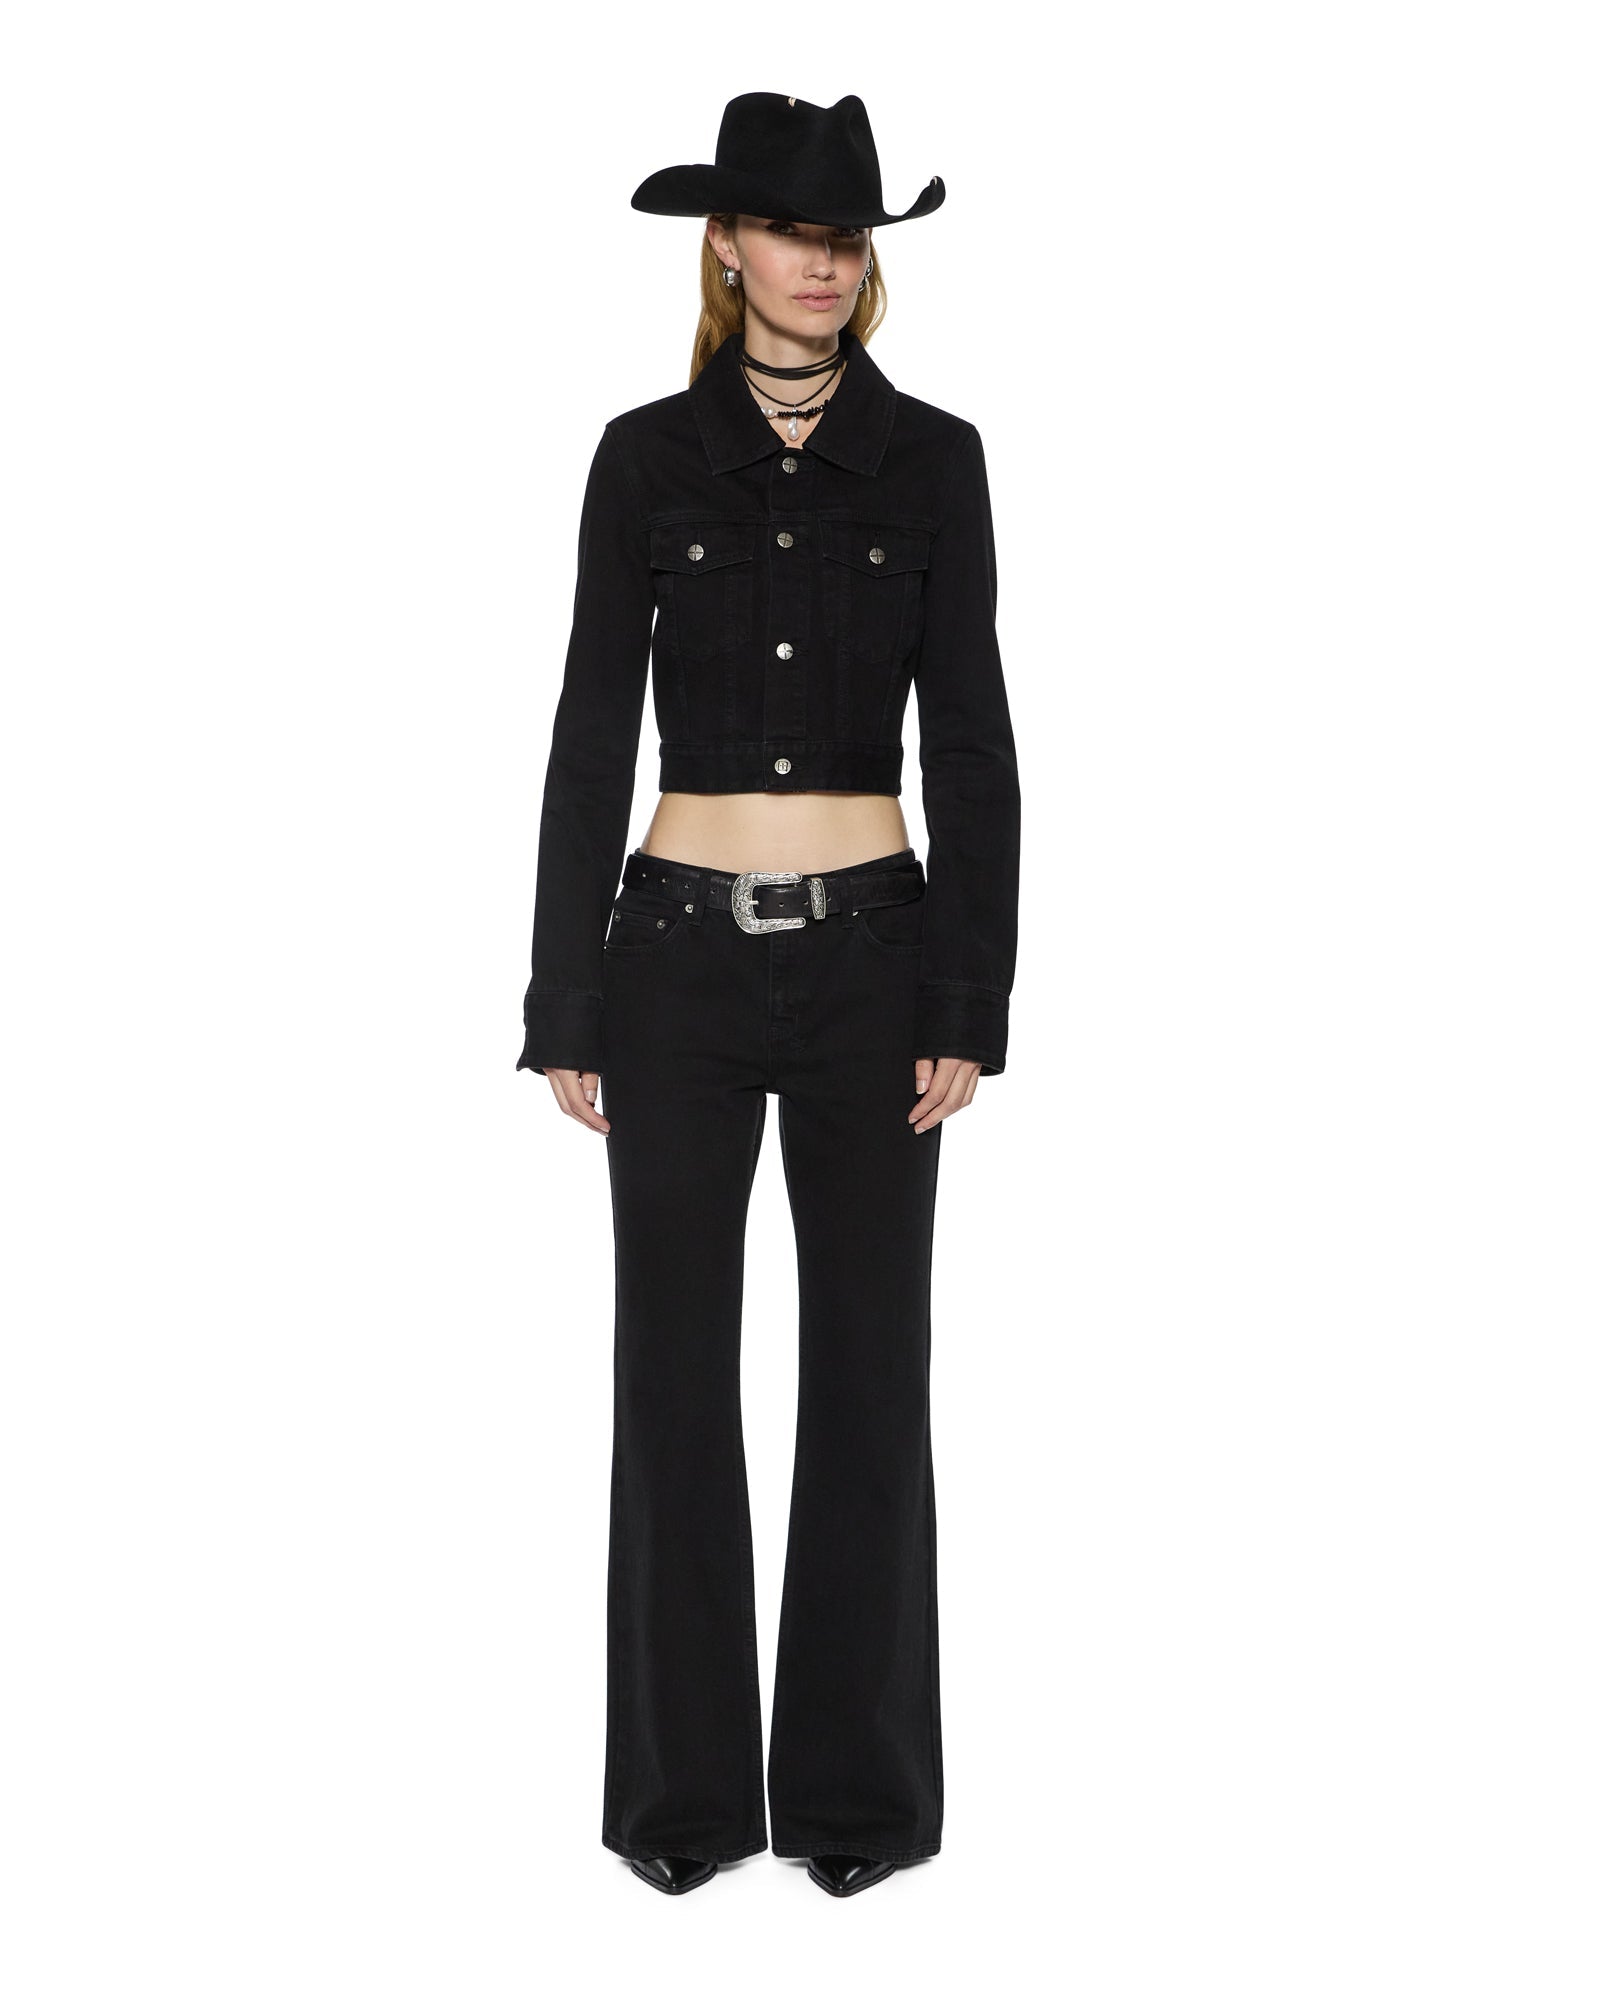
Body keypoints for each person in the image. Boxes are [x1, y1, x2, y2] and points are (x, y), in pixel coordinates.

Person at [515, 92, 1021, 1898]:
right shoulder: (644, 459)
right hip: (671, 966)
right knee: (672, 1374)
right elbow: (591, 730)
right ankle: (681, 1807)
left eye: (848, 233)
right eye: (793, 230)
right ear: (723, 246)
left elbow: (974, 740)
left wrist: (968, 990)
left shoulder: (935, 459)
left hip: (879, 962)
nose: (825, 260)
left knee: (872, 1373)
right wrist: (565, 994)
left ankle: (858, 1807)